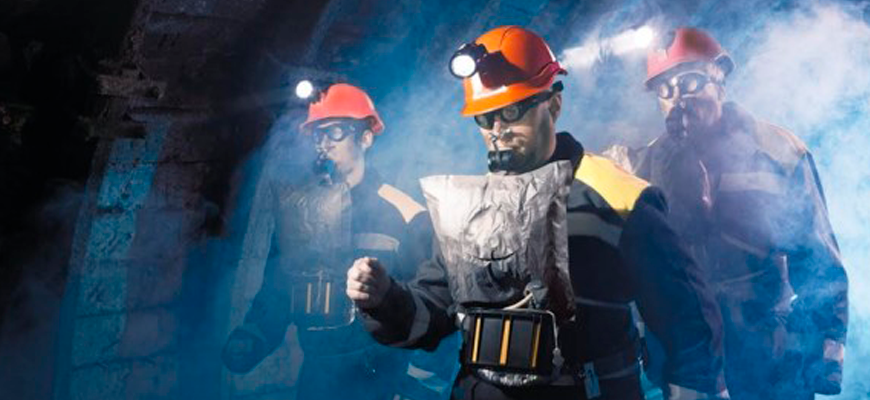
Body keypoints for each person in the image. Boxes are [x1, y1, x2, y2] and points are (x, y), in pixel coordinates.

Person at [347, 26, 728, 400]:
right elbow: (430, 315)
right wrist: (383, 299)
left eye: (512, 111)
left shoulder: (619, 197)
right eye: (485, 118)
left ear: (554, 105)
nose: (497, 130)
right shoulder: (469, 209)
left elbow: (686, 322)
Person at [624, 27, 848, 400]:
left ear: (720, 81)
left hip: (768, 354)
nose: (678, 98)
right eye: (665, 89)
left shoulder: (778, 153)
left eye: (690, 82)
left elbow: (818, 262)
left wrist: (818, 359)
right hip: (690, 363)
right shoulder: (643, 168)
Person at [222, 83, 454, 400]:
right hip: (317, 378)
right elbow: (279, 284)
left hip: (381, 378)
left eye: (336, 132)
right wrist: (254, 336)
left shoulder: (405, 213)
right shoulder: (298, 213)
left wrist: (418, 381)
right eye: (317, 134)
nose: (324, 143)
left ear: (366, 138)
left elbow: (433, 300)